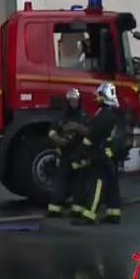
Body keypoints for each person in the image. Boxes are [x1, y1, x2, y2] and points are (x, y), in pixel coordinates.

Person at [74, 83, 124, 226]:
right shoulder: (113, 112)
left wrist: (80, 153)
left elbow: (92, 134)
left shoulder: (104, 114)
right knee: (112, 184)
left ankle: (89, 215)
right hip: (111, 153)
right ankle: (114, 214)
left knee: (97, 183)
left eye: (100, 95)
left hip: (101, 154)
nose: (97, 98)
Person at [46, 87, 89, 218]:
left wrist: (77, 128)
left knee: (79, 181)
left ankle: (77, 209)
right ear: (67, 101)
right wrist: (59, 140)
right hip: (65, 153)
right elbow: (51, 132)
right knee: (60, 181)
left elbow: (90, 132)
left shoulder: (83, 116)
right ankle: (54, 208)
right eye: (71, 100)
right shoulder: (61, 116)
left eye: (76, 100)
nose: (74, 103)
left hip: (80, 154)